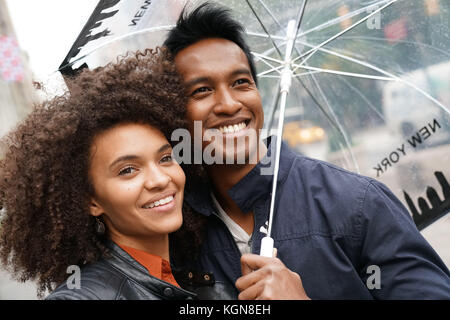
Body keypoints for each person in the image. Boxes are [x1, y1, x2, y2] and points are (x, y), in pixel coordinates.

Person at [163, 2, 450, 299]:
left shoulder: (358, 204)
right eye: (201, 91)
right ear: (173, 112)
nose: (229, 104)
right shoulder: (175, 229)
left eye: (240, 83)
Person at [0, 48, 223, 300]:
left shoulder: (187, 274)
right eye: (128, 170)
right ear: (91, 201)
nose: (161, 179)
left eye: (165, 158)